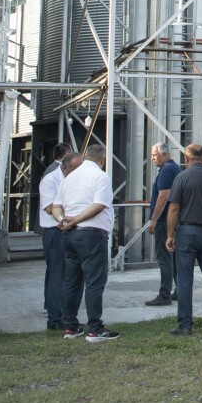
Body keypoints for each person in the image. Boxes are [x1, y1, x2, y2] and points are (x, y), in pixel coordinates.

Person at [52, 144, 119, 342]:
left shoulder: (69, 177)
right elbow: (99, 205)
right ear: (102, 159)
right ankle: (95, 329)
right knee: (94, 282)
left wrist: (62, 220)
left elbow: (56, 206)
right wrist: (76, 220)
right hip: (92, 234)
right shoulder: (101, 177)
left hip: (70, 235)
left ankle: (71, 327)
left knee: (71, 281)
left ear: (85, 157)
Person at [165, 143, 202, 336]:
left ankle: (185, 325)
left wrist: (169, 235)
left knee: (184, 280)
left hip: (187, 233)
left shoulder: (181, 178)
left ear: (186, 158)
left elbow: (173, 208)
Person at [39, 143, 71, 330]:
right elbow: (50, 207)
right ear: (65, 164)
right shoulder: (51, 178)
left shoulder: (69, 179)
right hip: (55, 231)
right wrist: (66, 220)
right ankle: (55, 318)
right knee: (57, 275)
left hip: (65, 229)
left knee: (63, 275)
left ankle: (63, 315)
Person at [144, 142, 181, 306]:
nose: (152, 158)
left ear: (165, 154)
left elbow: (163, 196)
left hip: (164, 221)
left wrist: (153, 220)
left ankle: (164, 294)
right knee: (173, 258)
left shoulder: (166, 170)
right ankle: (179, 291)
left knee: (164, 257)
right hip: (172, 220)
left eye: (154, 155)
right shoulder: (174, 169)